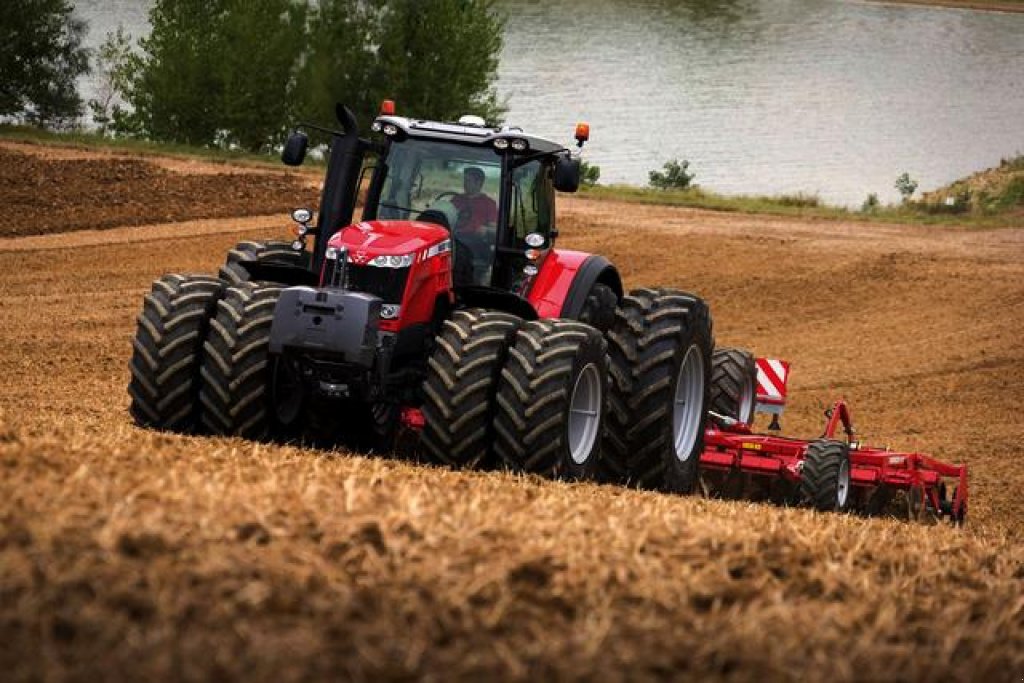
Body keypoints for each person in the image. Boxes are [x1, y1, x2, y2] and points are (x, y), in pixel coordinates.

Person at [451, 166, 497, 234]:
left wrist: (486, 229)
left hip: (475, 240)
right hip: (454, 236)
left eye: (468, 181)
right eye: (465, 180)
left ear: (478, 183)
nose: (465, 184)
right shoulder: (457, 199)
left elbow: (495, 229)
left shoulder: (489, 203)